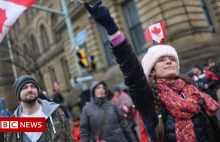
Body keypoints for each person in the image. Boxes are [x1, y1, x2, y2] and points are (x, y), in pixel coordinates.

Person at [84, 1, 220, 142]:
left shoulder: (193, 92)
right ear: (152, 71)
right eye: (161, 59)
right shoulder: (149, 98)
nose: (168, 61)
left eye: (171, 59)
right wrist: (112, 29)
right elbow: (131, 68)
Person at [4, 75, 75, 142]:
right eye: (24, 87)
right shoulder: (12, 123)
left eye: (33, 86)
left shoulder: (55, 112)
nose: (30, 90)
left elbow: (69, 139)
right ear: (18, 94)